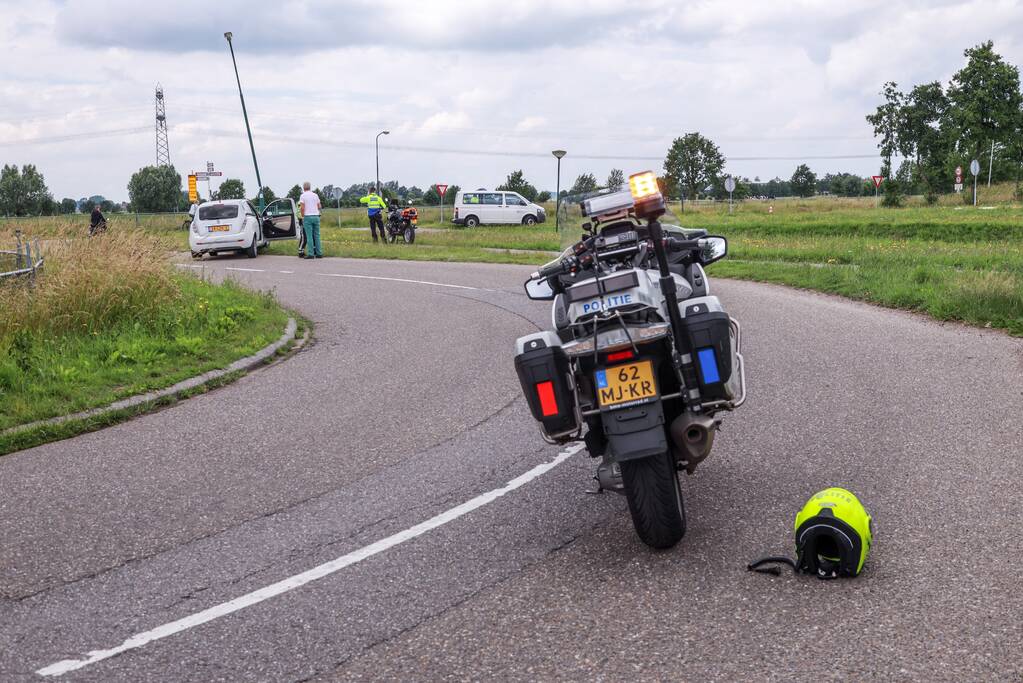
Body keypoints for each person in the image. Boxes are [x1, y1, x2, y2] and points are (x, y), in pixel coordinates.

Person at [298, 182, 322, 258]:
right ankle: (319, 253)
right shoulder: (315, 195)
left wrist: (302, 216)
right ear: (310, 187)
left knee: (309, 236)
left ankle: (311, 254)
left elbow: (302, 208)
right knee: (317, 236)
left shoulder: (302, 196)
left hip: (307, 217)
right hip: (316, 216)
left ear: (303, 188)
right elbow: (319, 206)